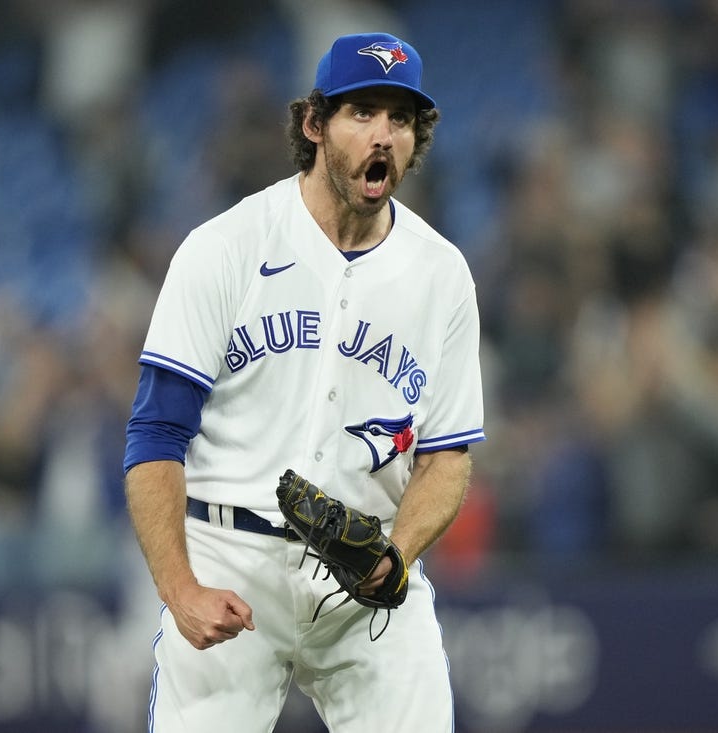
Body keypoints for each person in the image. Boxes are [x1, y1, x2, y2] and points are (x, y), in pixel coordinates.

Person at [124, 32, 486, 731]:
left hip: (366, 578)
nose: (383, 134)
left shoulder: (442, 276)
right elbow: (155, 434)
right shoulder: (225, 248)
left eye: (401, 118)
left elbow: (447, 458)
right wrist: (179, 587)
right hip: (230, 557)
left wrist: (396, 556)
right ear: (314, 124)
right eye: (362, 112)